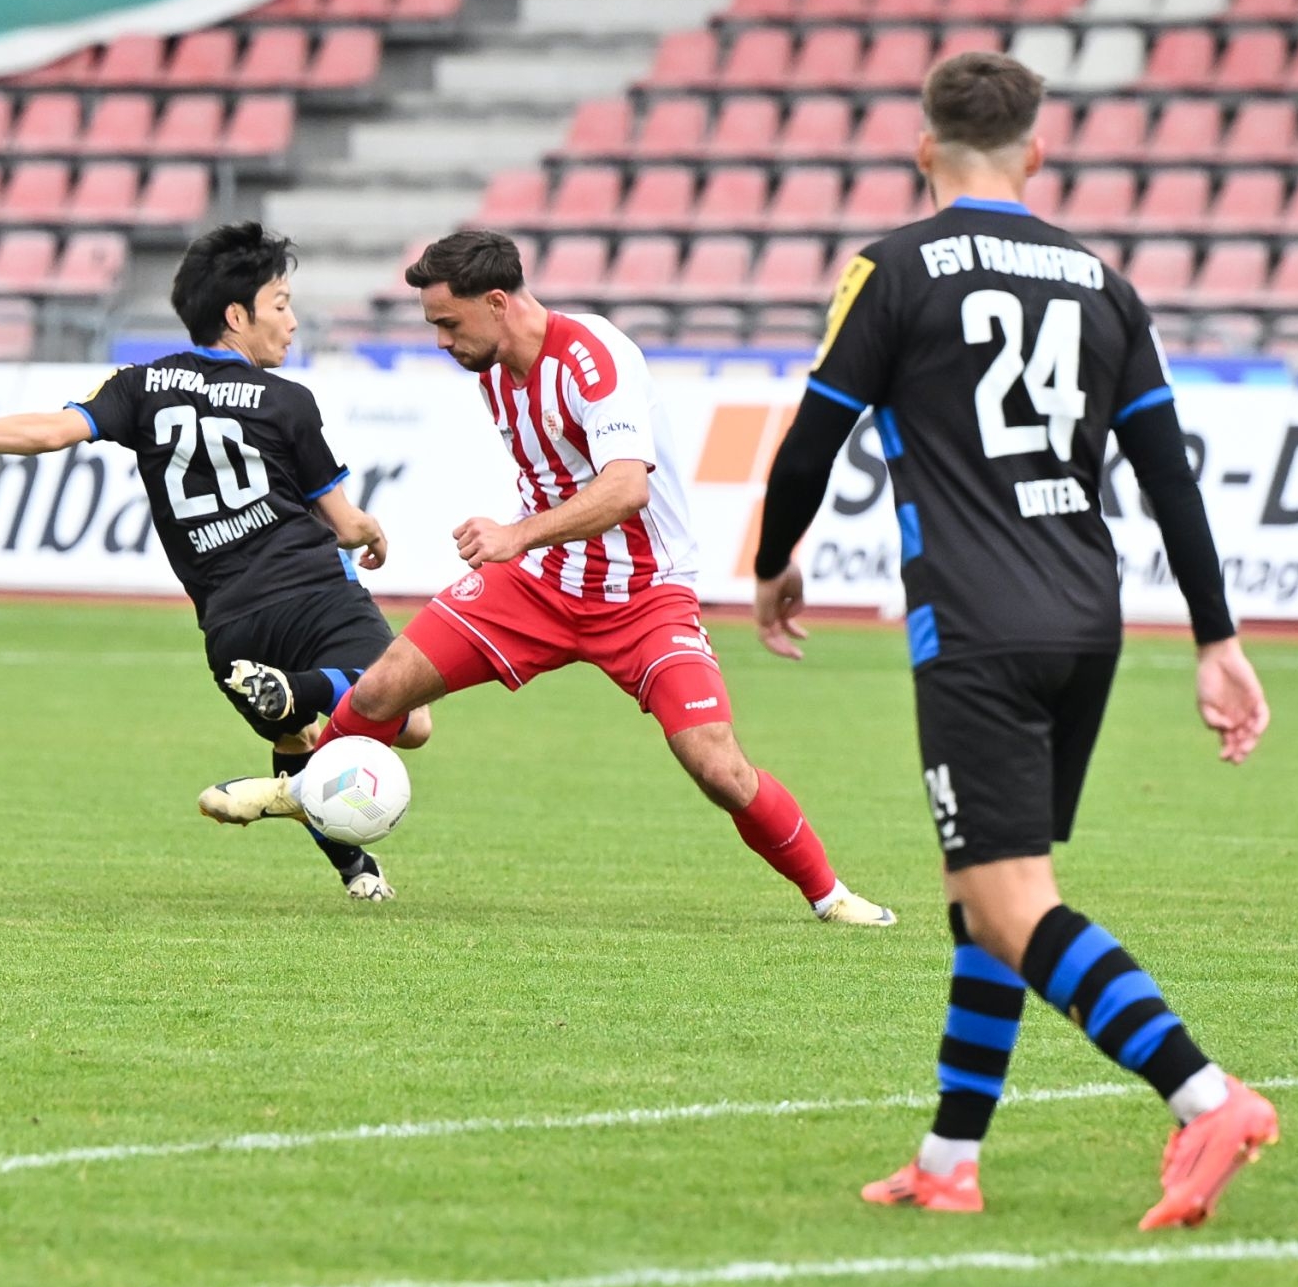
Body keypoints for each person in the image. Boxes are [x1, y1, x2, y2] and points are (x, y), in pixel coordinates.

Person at [750, 52, 1277, 1227]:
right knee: (983, 892)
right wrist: (1216, 637)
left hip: (976, 623)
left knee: (1011, 899)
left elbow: (812, 439)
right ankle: (949, 1157)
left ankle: (1206, 1096)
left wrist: (774, 561)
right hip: (1086, 618)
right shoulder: (1104, 283)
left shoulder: (892, 268)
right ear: (1037, 153)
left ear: (922, 150)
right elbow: (1169, 475)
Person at [201, 230, 896, 927]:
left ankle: (830, 895)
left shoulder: (594, 357)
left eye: (449, 323)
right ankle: (301, 791)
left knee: (717, 766)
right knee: (383, 687)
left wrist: (516, 534)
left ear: (497, 302)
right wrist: (523, 542)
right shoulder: (492, 370)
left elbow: (627, 488)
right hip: (537, 583)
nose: (441, 342)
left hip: (643, 595)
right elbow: (552, 478)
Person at [0, 222, 429, 900]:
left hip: (232, 626)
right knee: (412, 719)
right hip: (314, 592)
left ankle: (355, 869)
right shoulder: (289, 401)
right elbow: (344, 525)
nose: (291, 322)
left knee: (295, 742)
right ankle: (304, 689)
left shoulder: (140, 387)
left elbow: (48, 433)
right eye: (281, 304)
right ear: (237, 316)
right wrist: (372, 531)